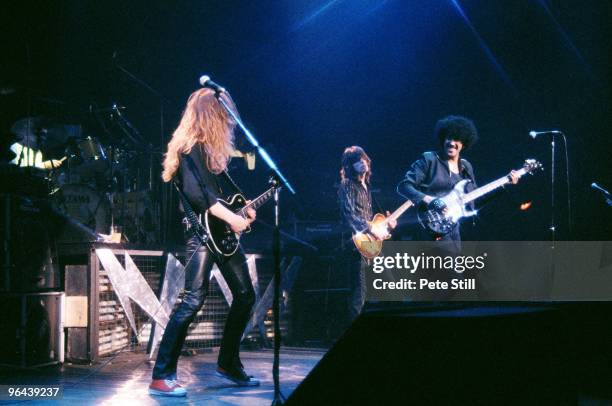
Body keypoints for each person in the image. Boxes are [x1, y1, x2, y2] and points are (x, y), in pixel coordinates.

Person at [149, 88, 259, 397]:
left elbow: (222, 193)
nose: (227, 122)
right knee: (193, 300)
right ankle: (162, 375)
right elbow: (200, 197)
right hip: (200, 234)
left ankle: (228, 363)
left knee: (245, 295)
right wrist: (234, 219)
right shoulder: (188, 148)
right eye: (223, 115)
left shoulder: (211, 154)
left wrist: (244, 206)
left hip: (221, 233)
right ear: (211, 115)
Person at [397, 115, 518, 246]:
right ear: (443, 139)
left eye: (457, 139)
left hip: (452, 229)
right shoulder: (429, 159)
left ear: (464, 143)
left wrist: (504, 185)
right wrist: (431, 200)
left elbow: (474, 202)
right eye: (449, 137)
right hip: (429, 227)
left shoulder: (466, 167)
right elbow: (403, 186)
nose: (452, 142)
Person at [338, 146, 396, 321]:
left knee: (376, 291)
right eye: (356, 160)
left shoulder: (367, 187)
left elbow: (370, 219)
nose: (362, 162)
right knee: (360, 294)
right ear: (349, 166)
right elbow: (350, 215)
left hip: (370, 244)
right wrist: (371, 228)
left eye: (363, 158)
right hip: (356, 244)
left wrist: (386, 225)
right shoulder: (347, 184)